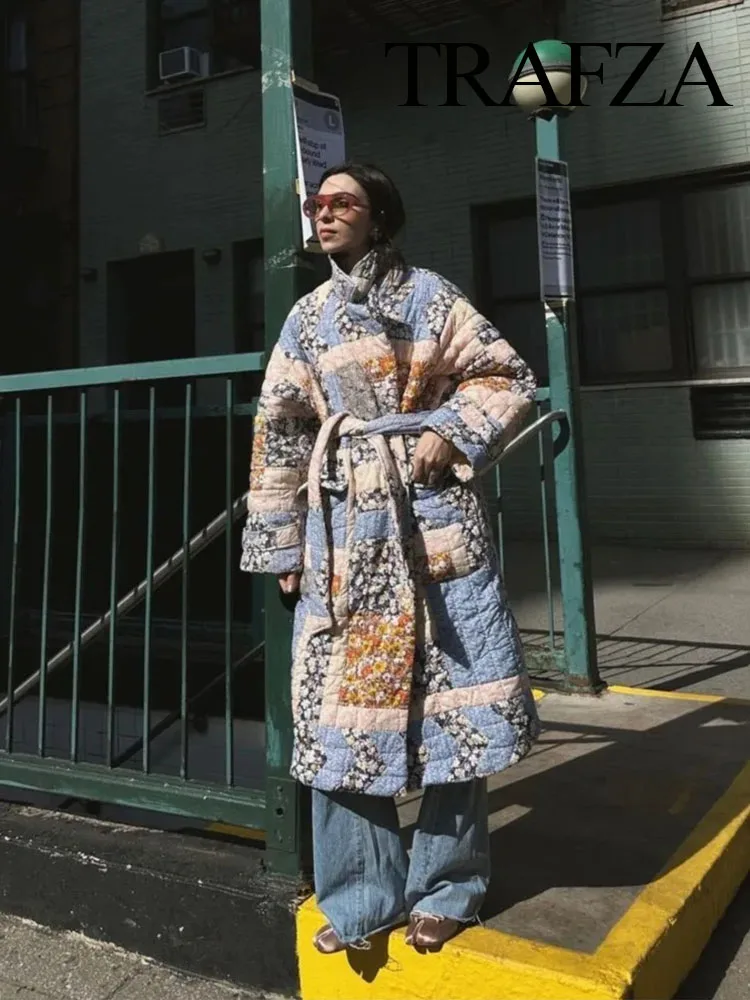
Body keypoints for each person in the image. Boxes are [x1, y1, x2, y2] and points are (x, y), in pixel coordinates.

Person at [240, 162, 540, 954]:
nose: (325, 213)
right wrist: (282, 541)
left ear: (379, 217)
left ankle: (448, 886)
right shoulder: (308, 316)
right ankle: (361, 895)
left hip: (429, 516)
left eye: (343, 202)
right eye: (318, 203)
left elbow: (506, 375)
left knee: (455, 707)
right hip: (343, 529)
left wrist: (453, 430)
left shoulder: (430, 296)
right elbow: (282, 430)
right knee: (337, 714)